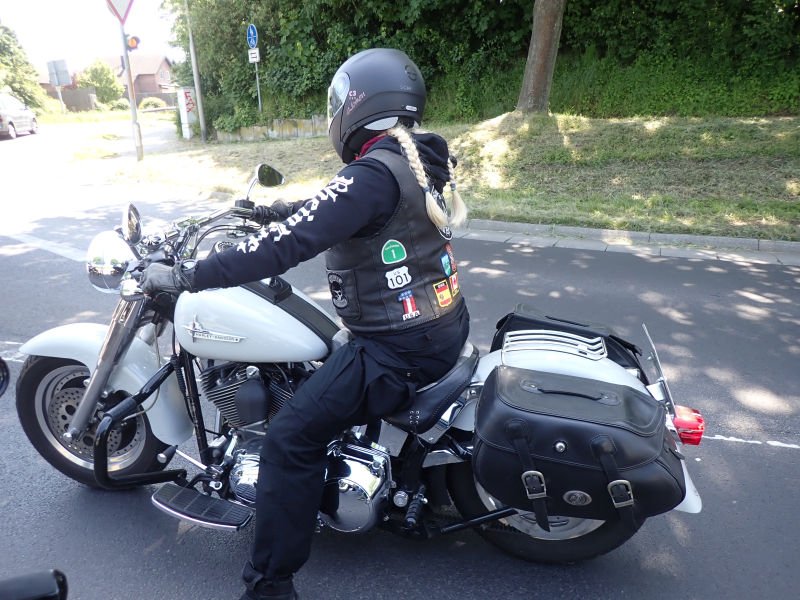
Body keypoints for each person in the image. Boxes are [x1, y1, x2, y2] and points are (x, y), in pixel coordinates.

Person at [141, 48, 470, 600]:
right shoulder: (412, 158)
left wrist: (188, 274)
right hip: (436, 325)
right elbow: (330, 208)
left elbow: (289, 245)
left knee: (290, 438)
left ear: (355, 106)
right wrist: (271, 211)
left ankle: (269, 585)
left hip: (397, 349)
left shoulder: (374, 174)